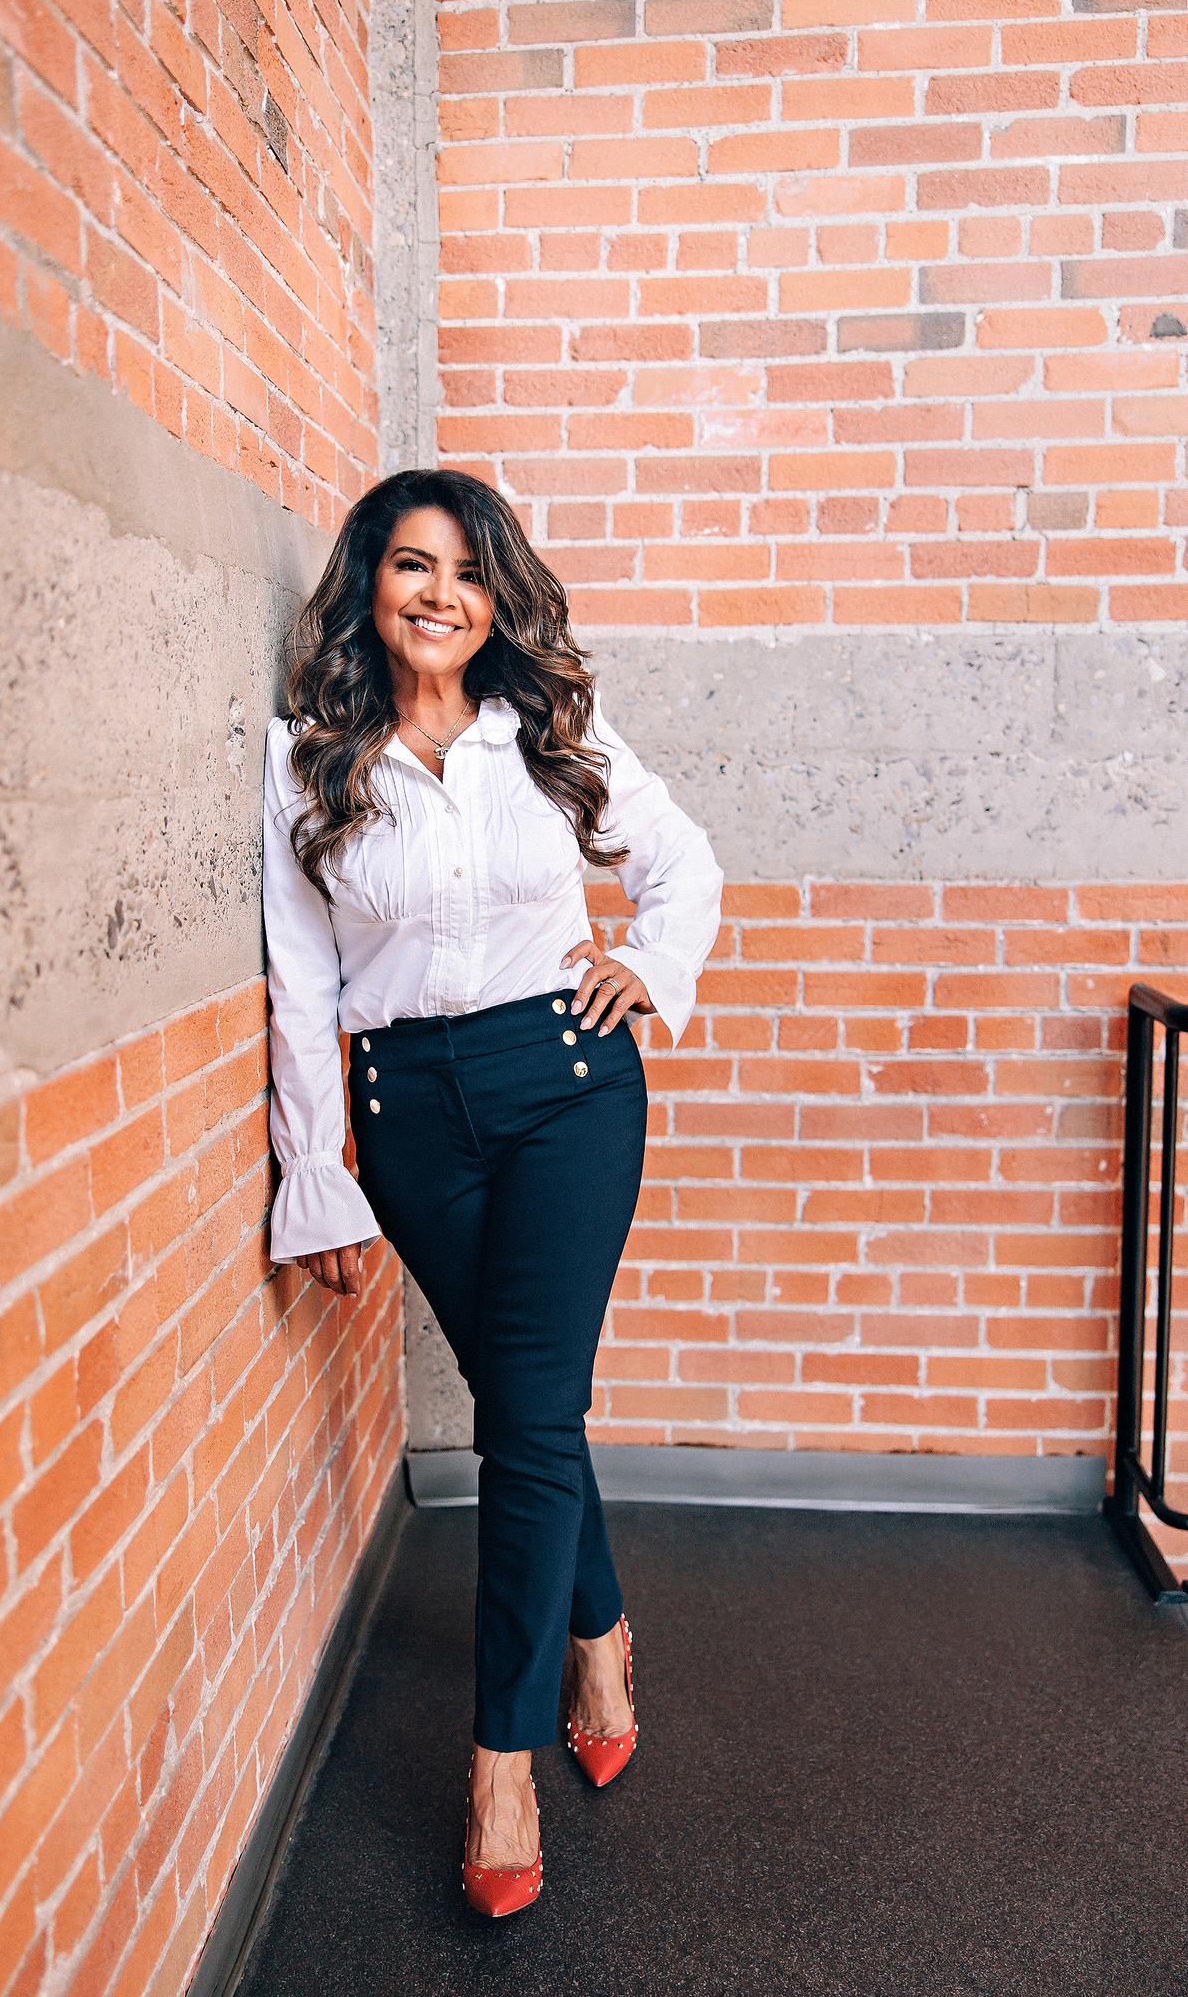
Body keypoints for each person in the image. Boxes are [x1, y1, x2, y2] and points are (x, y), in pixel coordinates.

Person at [260, 467, 724, 1918]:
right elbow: (303, 980)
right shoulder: (308, 761)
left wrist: (649, 966)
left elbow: (683, 864)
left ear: (496, 595)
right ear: (370, 582)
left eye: (467, 571)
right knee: (534, 1407)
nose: (441, 594)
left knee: (523, 1417)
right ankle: (597, 1629)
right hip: (409, 1118)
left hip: (566, 1088)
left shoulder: (549, 734)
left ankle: (501, 1763)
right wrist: (316, 1171)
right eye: (413, 564)